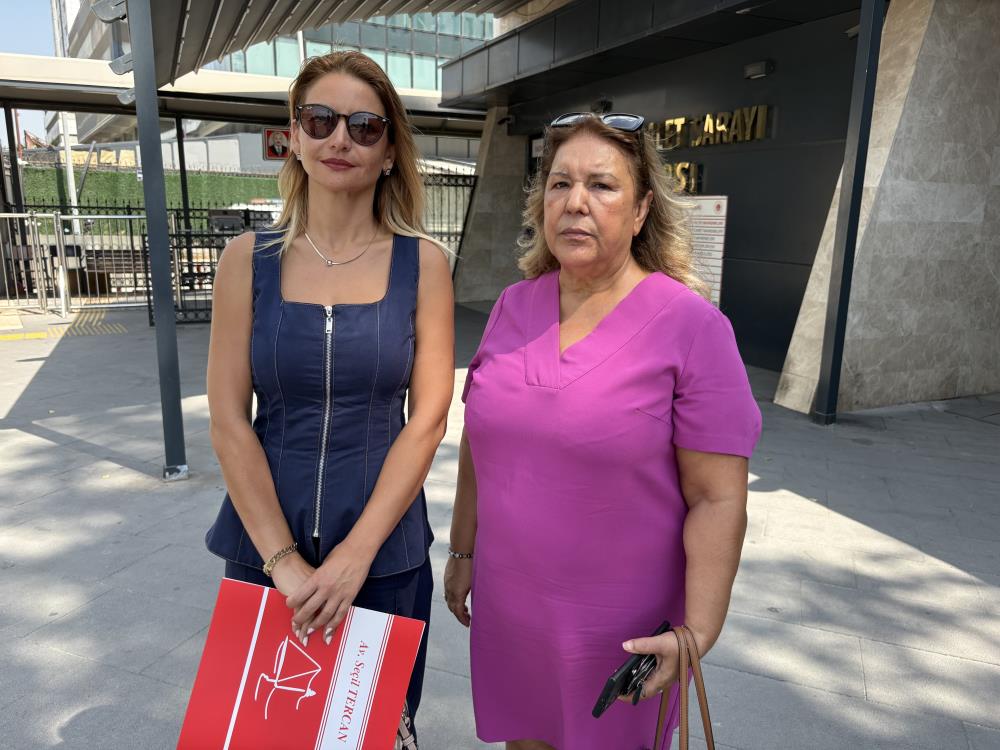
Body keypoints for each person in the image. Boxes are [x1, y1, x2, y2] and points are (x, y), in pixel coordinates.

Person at [444, 112, 761, 750]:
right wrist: (463, 550)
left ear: (642, 210)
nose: (575, 202)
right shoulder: (513, 306)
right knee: (524, 741)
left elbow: (717, 496)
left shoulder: (692, 328)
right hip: (513, 610)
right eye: (560, 184)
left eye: (602, 185)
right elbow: (481, 440)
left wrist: (697, 632)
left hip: (621, 630)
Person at [204, 51, 454, 746]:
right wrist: (283, 562)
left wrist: (353, 558)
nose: (340, 138)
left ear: (390, 150)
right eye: (320, 120)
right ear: (294, 135)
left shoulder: (423, 264)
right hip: (263, 549)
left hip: (383, 555)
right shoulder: (245, 260)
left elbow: (428, 419)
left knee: (371, 734)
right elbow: (228, 419)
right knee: (263, 733)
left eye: (364, 126)